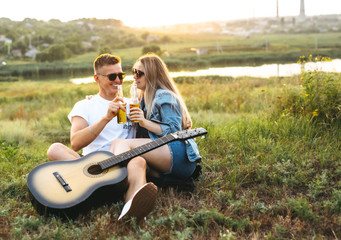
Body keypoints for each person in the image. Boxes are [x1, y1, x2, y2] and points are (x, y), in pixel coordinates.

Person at [46, 53, 157, 223]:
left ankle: (132, 212)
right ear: (96, 78)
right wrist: (106, 117)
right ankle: (98, 188)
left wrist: (184, 120)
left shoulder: (133, 102)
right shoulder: (85, 105)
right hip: (93, 168)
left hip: (122, 168)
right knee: (54, 149)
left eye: (121, 75)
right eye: (112, 76)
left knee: (139, 162)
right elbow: (75, 142)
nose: (118, 80)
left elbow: (161, 115)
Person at [110, 54, 202, 205]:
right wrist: (95, 100)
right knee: (115, 143)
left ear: (151, 74)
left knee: (123, 144)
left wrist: (144, 122)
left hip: (178, 153)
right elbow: (129, 119)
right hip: (163, 153)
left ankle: (114, 185)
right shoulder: (145, 98)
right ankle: (133, 199)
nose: (134, 77)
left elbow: (173, 131)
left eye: (139, 73)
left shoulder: (164, 95)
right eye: (134, 72)